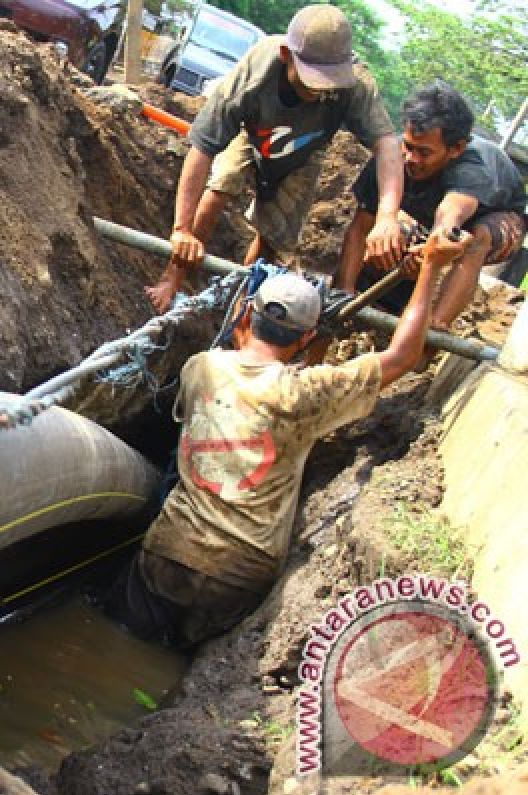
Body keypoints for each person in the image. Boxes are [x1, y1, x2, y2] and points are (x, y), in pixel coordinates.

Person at [107, 228, 469, 648]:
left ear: (246, 316)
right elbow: (402, 357)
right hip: (241, 571)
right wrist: (431, 270)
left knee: (120, 641)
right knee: (180, 659)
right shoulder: (304, 394)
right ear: (306, 338)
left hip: (171, 547)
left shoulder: (200, 367)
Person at [146, 4, 405, 314]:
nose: (321, 88)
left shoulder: (356, 84)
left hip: (307, 152)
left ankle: (241, 304)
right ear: (286, 55)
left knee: (274, 236)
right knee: (219, 188)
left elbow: (387, 145)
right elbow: (202, 148)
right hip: (252, 131)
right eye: (313, 77)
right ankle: (173, 277)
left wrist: (388, 216)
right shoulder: (256, 71)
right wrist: (181, 230)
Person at [338, 80, 528, 329]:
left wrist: (433, 247)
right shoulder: (392, 158)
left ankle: (432, 329)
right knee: (389, 240)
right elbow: (360, 227)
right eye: (408, 147)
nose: (411, 159)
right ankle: (386, 306)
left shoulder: (472, 167)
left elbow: (451, 215)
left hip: (492, 220)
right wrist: (343, 293)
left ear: (456, 149)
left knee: (475, 239)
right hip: (430, 219)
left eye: (424, 153)